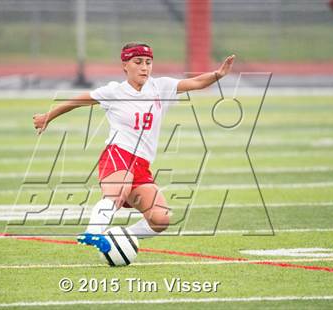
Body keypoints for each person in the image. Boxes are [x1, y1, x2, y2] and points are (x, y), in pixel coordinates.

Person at [33, 42, 235, 253]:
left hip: (142, 164)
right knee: (117, 193)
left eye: (148, 62)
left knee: (160, 220)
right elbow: (80, 99)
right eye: (137, 62)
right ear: (125, 66)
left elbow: (195, 82)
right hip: (118, 154)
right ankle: (93, 232)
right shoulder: (114, 91)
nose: (144, 67)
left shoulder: (160, 87)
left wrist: (219, 74)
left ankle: (121, 239)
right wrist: (48, 116)